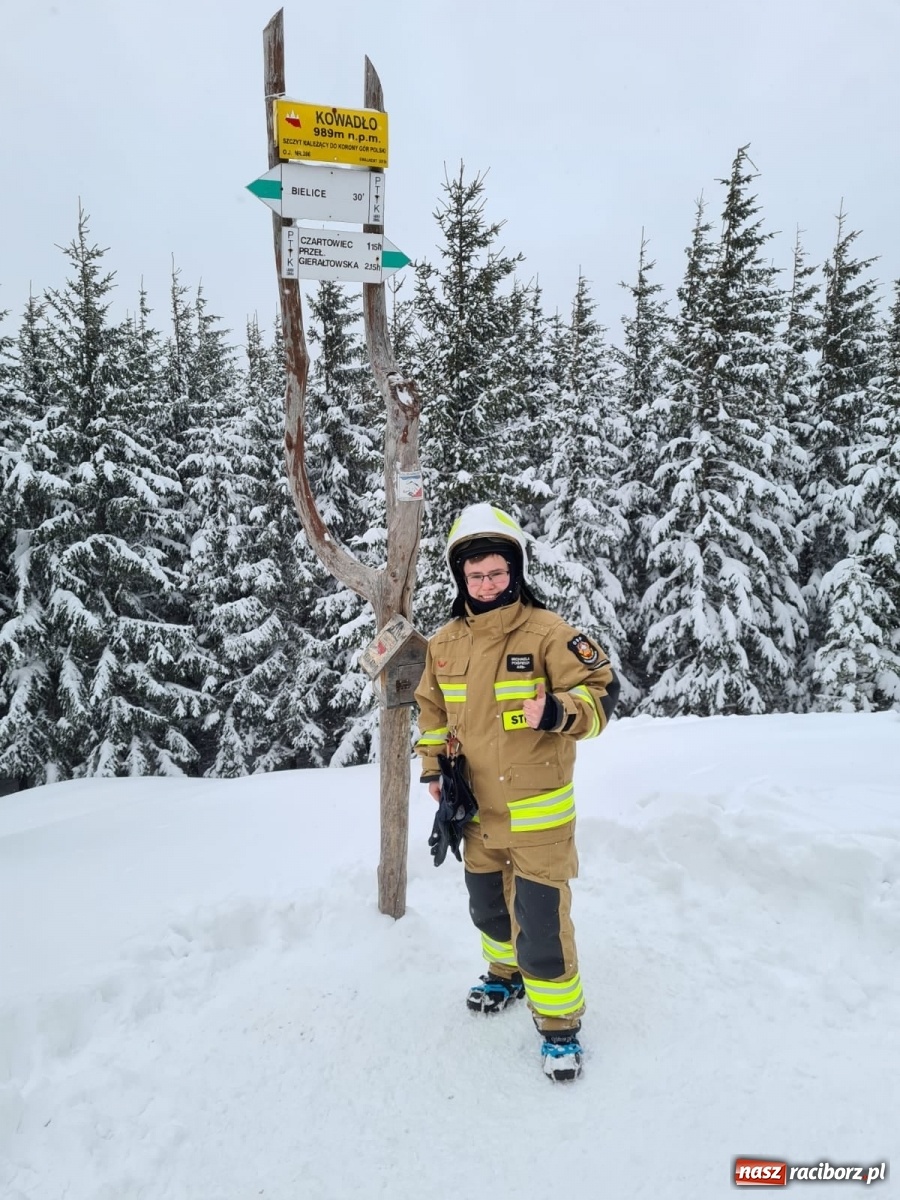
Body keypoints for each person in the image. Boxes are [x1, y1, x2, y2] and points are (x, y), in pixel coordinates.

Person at [414, 503, 620, 1081]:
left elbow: (603, 695)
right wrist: (433, 769)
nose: (486, 584)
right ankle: (504, 976)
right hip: (473, 809)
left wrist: (558, 711)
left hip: (537, 812)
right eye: (475, 575)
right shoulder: (445, 642)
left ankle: (559, 1028)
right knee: (487, 907)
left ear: (516, 571)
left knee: (541, 922)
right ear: (461, 578)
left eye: (497, 573)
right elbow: (432, 710)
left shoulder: (550, 633)